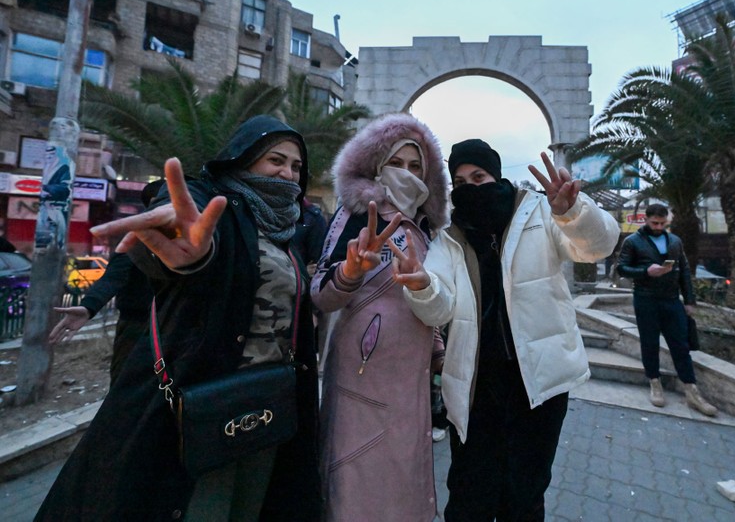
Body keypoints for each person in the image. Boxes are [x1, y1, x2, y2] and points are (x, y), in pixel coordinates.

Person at [36, 115, 321, 521]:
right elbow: (186, 236)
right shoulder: (212, 202)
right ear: (243, 159)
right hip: (205, 399)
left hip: (267, 398)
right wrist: (188, 251)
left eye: (296, 166)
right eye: (275, 159)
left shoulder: (284, 229)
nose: (287, 173)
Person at [391, 139, 619, 521]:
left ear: (496, 176)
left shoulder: (539, 212)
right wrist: (420, 286)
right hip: (476, 385)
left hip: (538, 384)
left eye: (478, 176)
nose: (471, 187)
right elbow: (440, 308)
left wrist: (573, 212)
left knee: (524, 493)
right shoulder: (450, 236)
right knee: (469, 494)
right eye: (461, 181)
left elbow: (597, 247)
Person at [311, 112, 449, 521]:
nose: (406, 174)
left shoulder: (426, 227)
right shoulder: (357, 213)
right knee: (357, 482)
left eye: (415, 166)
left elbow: (429, 299)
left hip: (414, 381)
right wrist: (349, 273)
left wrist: (438, 348)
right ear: (376, 164)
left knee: (404, 480)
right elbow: (321, 294)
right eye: (396, 163)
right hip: (363, 378)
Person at [48, 181, 162, 383]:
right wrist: (89, 306)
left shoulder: (198, 243)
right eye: (158, 204)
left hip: (178, 329)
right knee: (125, 389)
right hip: (137, 327)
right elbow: (114, 276)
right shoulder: (136, 240)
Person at [616, 203, 717, 416]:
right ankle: (655, 383)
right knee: (649, 343)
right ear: (646, 219)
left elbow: (685, 272)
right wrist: (646, 271)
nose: (659, 227)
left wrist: (689, 301)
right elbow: (621, 268)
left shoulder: (675, 241)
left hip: (672, 300)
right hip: (646, 299)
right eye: (655, 223)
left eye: (663, 223)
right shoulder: (633, 241)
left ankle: (692, 390)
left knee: (680, 344)